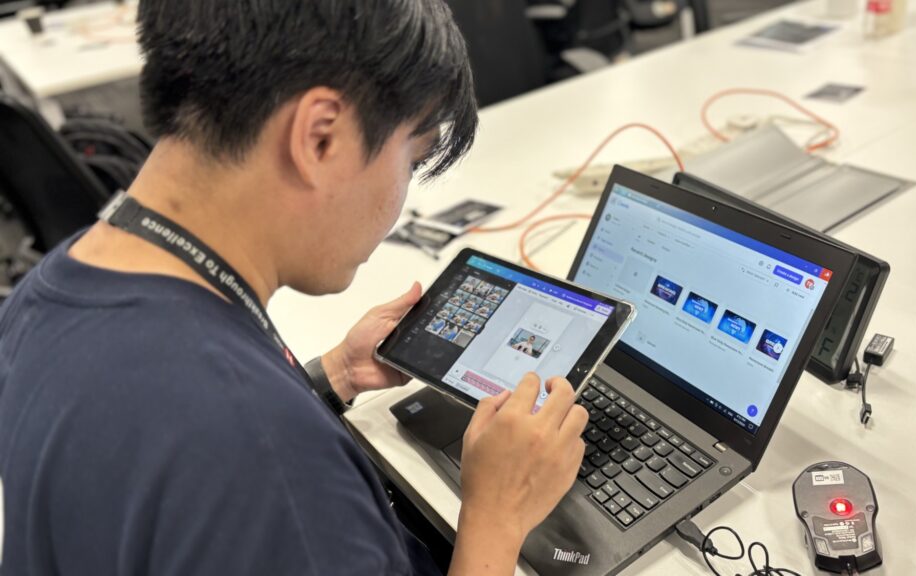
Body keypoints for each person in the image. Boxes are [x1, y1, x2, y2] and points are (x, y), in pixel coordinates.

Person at [0, 1, 588, 575]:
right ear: (321, 138)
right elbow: (247, 458)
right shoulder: (266, 461)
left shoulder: (45, 294)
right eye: (410, 160)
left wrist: (334, 375)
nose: (401, 196)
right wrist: (497, 518)